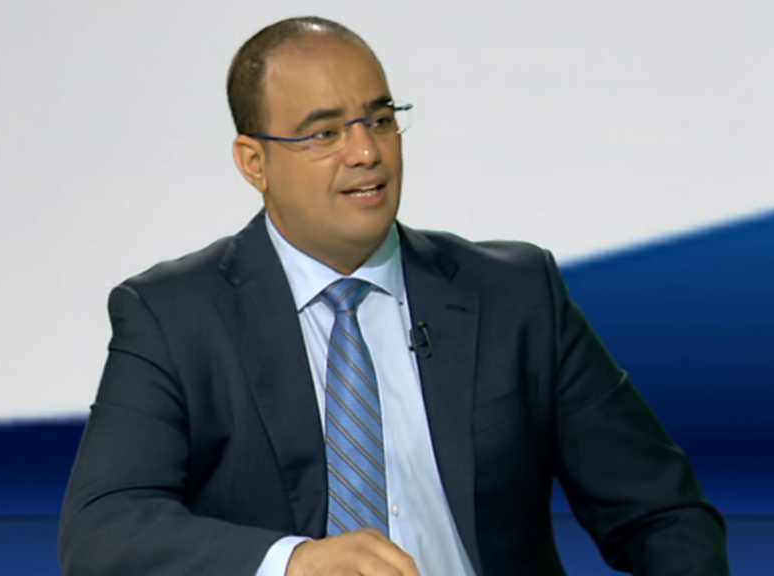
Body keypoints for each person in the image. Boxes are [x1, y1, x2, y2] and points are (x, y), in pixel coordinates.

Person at [58, 16, 729, 576]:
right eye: (325, 133)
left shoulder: (514, 294)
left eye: (379, 120)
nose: (365, 152)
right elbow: (103, 529)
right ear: (253, 162)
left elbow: (664, 514)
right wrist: (293, 563)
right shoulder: (174, 316)